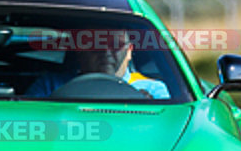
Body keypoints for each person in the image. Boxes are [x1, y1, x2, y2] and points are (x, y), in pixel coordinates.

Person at [26, 29, 170, 99]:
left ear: (129, 51)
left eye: (115, 45)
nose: (106, 52)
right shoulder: (49, 86)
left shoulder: (155, 92)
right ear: (79, 50)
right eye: (95, 45)